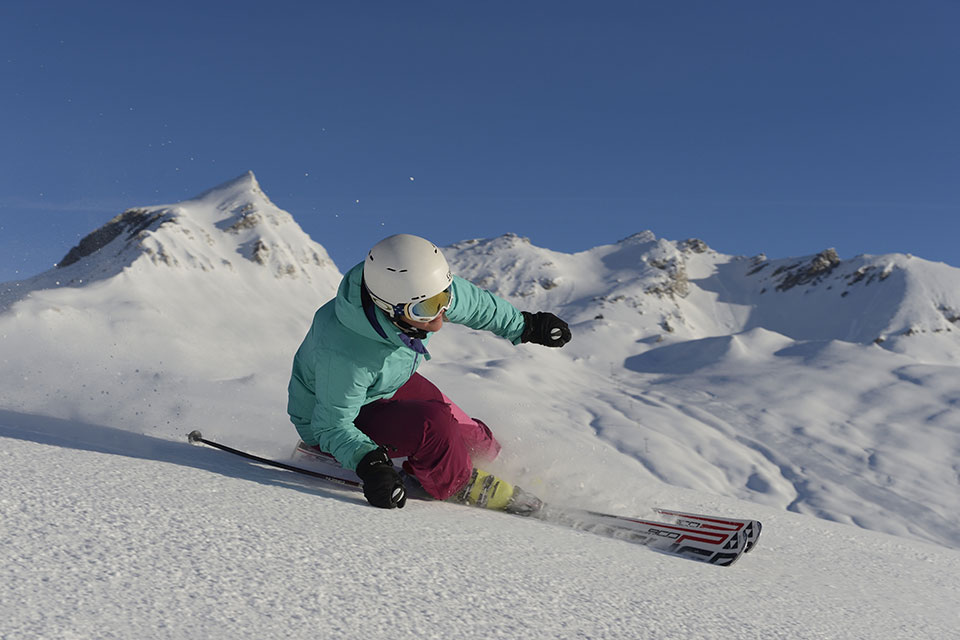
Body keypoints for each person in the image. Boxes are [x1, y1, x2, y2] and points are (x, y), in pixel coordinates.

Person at [287, 233, 571, 513]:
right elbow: (331, 424)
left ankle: (487, 464)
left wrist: (525, 326)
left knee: (468, 432)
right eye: (425, 310)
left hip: (383, 386)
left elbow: (474, 304)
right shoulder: (345, 352)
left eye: (444, 300)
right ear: (389, 308)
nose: (439, 318)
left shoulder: (421, 291)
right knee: (433, 426)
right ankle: (455, 482)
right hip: (327, 418)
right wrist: (371, 465)